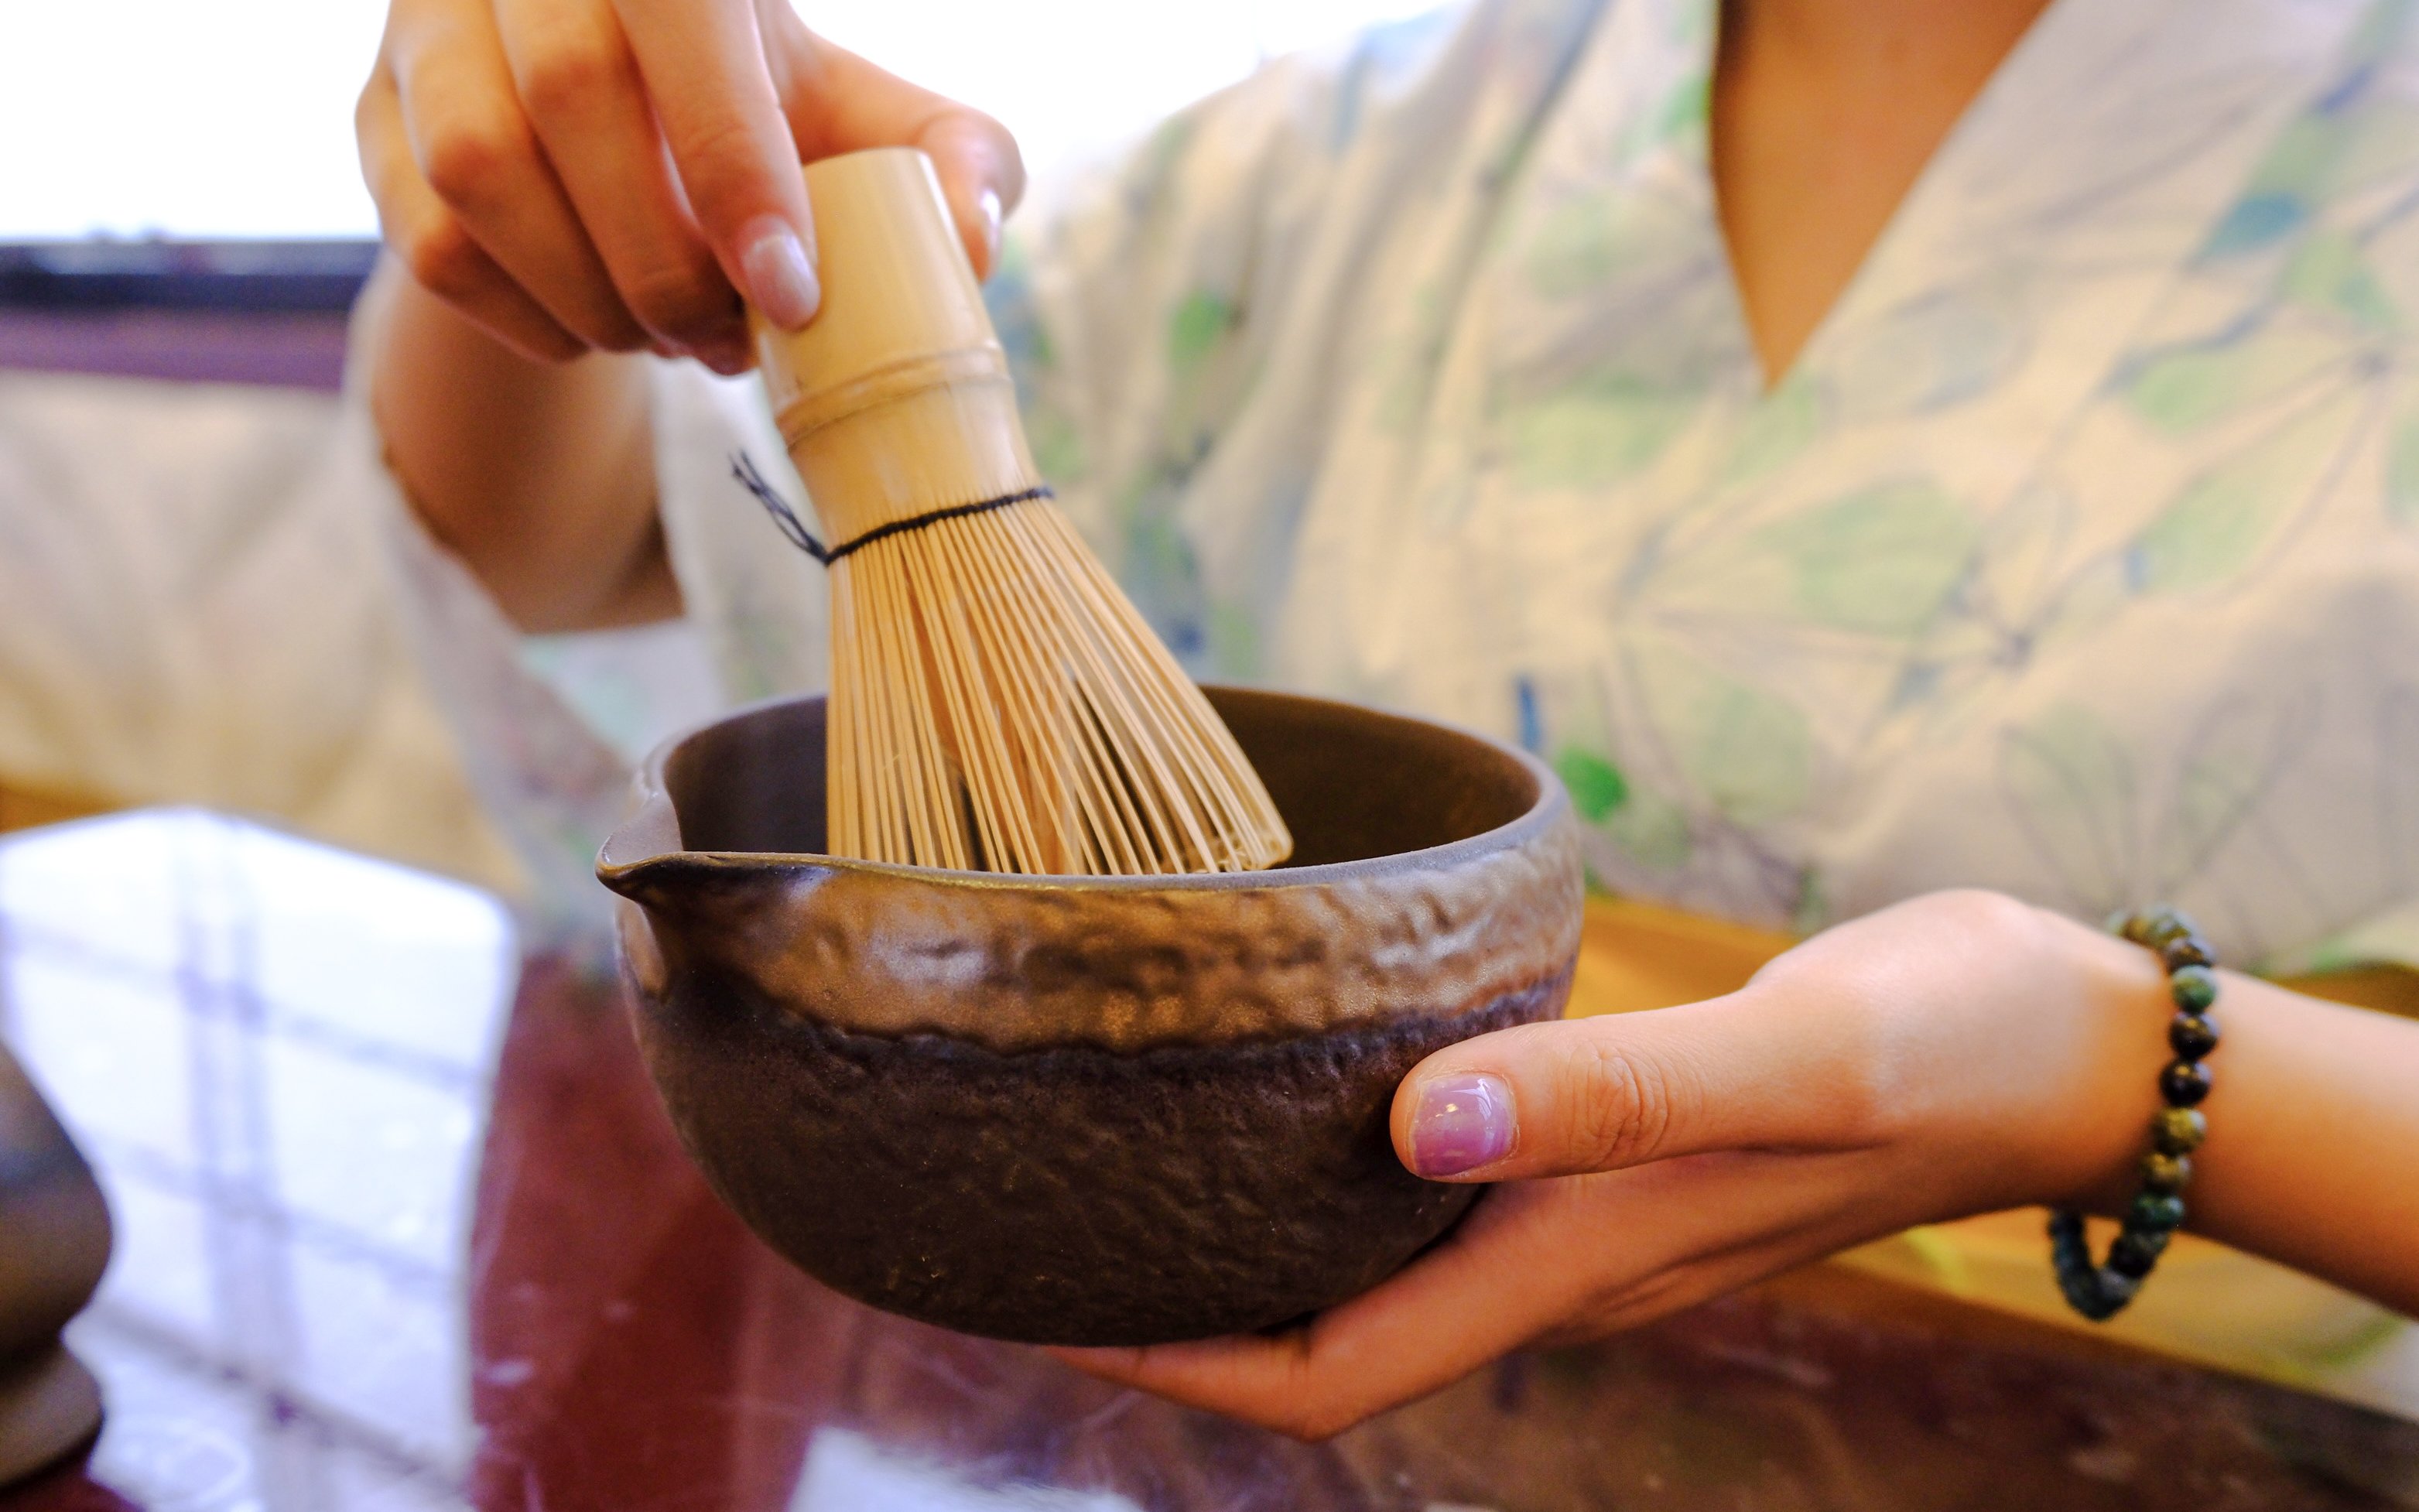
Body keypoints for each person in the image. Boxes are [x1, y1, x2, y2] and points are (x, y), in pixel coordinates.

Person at [351, 0, 2419, 1436]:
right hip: (1297, 1437)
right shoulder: (1348, 155)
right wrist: (561, 170)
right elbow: (596, 541)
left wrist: (2121, 1069)